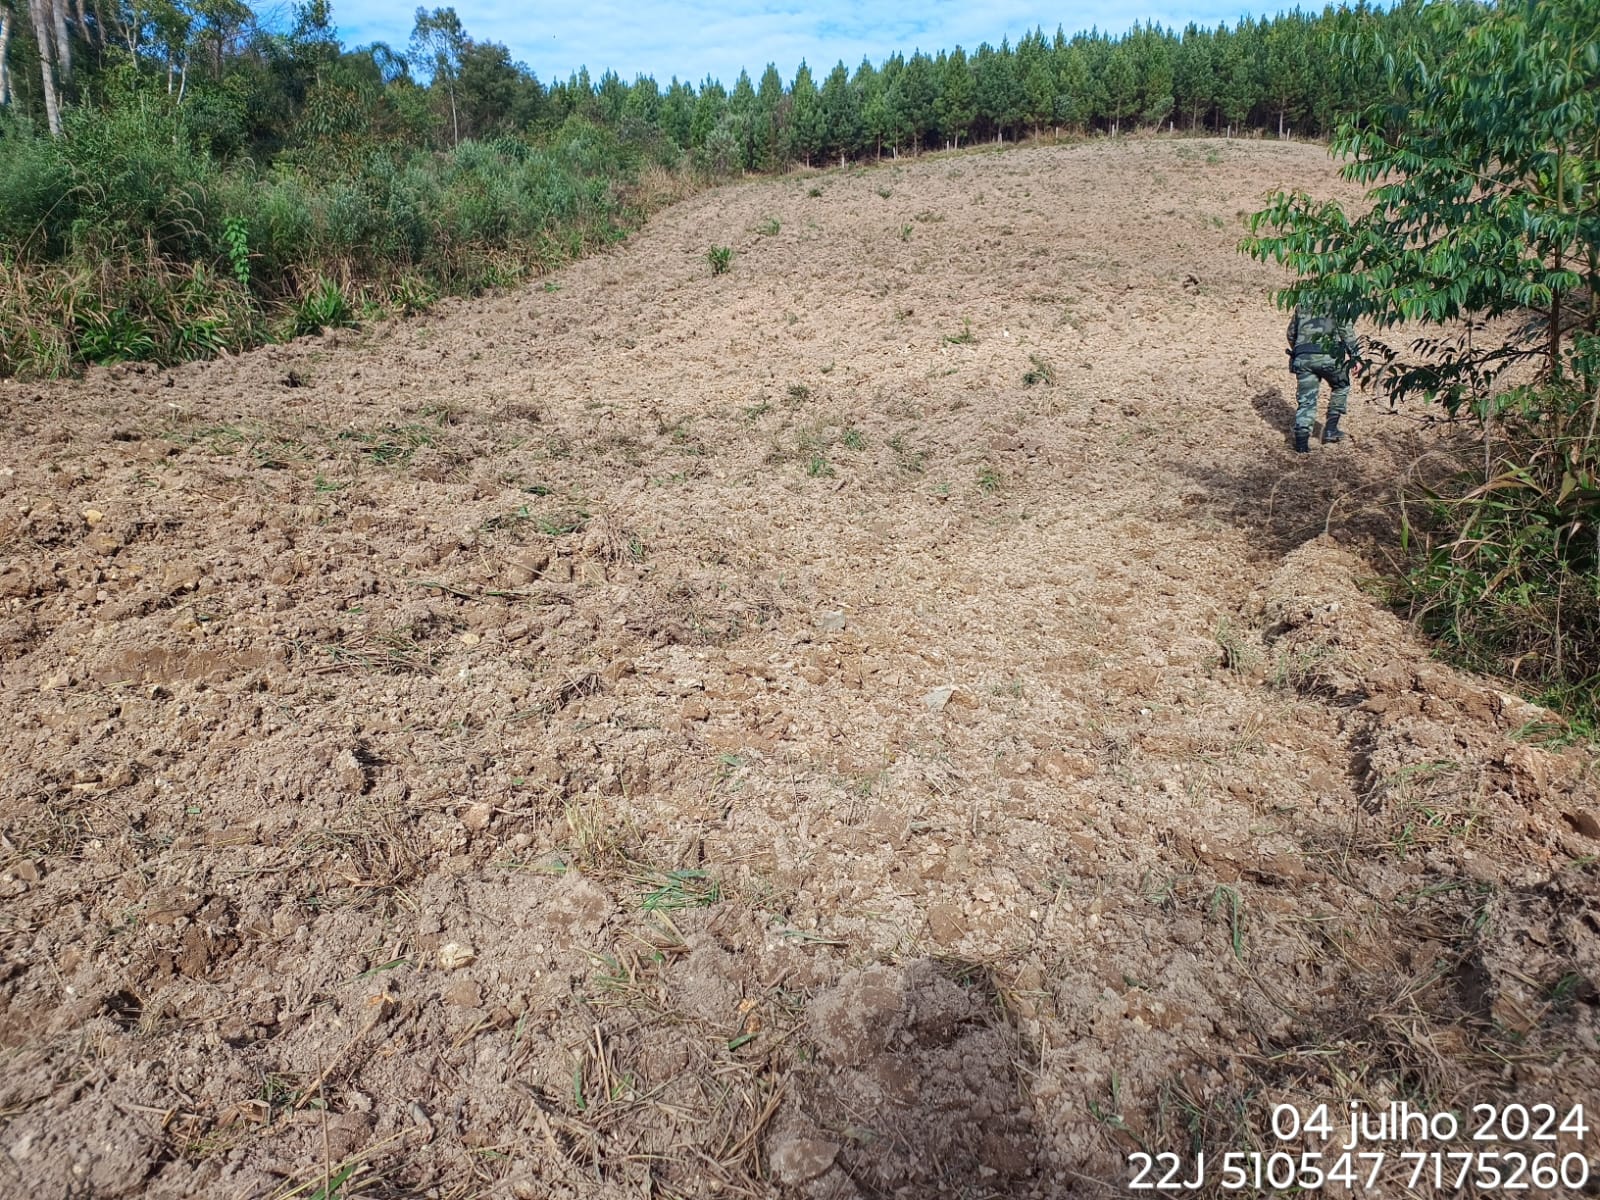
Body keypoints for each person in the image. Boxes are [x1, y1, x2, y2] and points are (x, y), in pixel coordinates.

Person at [1285, 303, 1362, 454]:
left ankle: (1301, 444)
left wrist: (1300, 350)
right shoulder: (1339, 301)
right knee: (1341, 386)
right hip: (1330, 357)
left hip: (1304, 358)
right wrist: (1356, 356)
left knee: (1307, 400)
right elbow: (1345, 329)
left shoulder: (1302, 303)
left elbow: (1291, 333)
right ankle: (1330, 430)